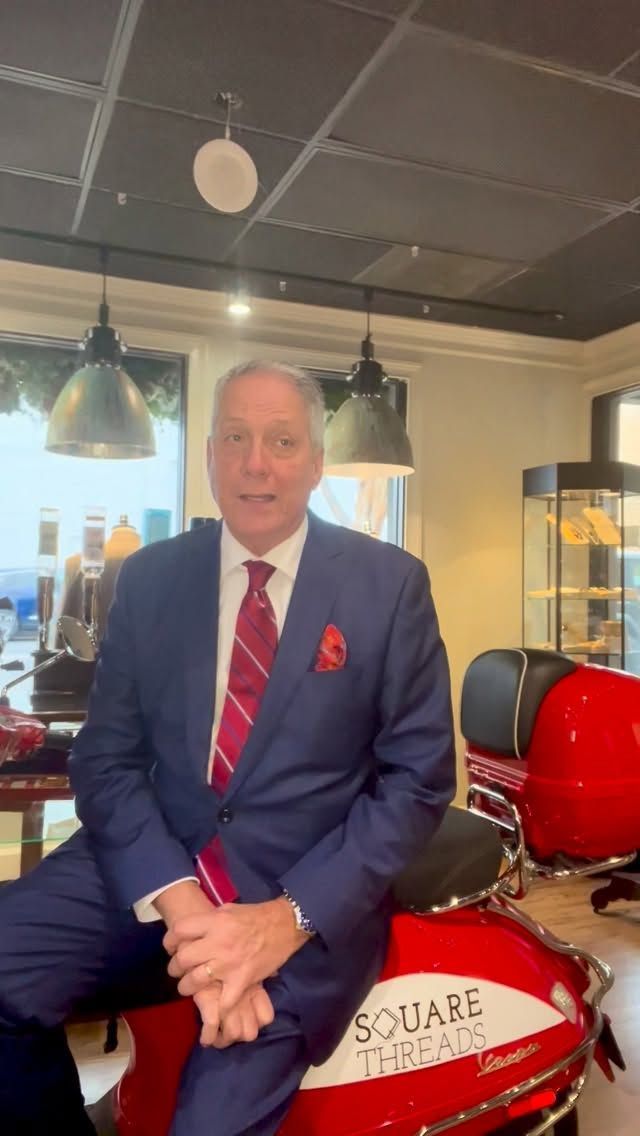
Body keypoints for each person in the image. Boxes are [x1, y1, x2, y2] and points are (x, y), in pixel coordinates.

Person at [0, 361, 456, 1136]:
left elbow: (417, 782)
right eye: (236, 438)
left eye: (282, 441)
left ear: (316, 462)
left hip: (303, 902)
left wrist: (286, 921)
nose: (256, 463)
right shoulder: (149, 579)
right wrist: (181, 904)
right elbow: (106, 759)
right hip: (150, 871)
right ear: (210, 454)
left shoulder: (389, 586)